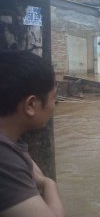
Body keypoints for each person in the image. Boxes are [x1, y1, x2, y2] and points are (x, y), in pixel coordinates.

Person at [0, 51, 66, 217]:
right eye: (53, 99)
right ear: (31, 105)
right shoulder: (4, 158)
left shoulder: (11, 141)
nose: (54, 106)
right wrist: (49, 183)